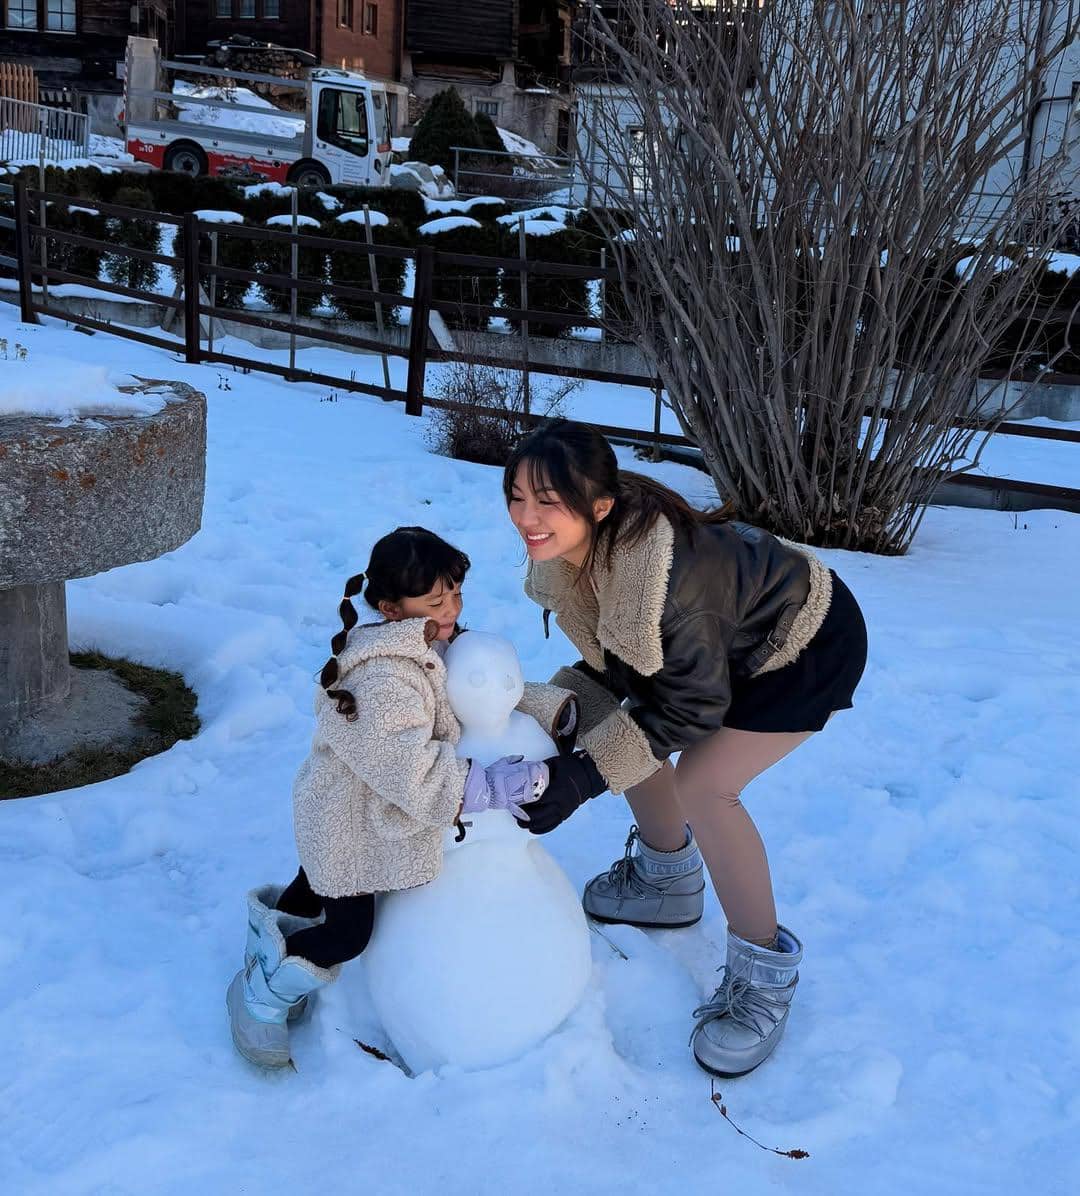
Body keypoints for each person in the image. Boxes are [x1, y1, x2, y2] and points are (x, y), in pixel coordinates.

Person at [503, 421, 868, 1078]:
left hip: (805, 643)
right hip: (721, 644)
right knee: (611, 717)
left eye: (547, 501)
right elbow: (624, 673)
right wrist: (540, 713)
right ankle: (667, 879)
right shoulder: (578, 556)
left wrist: (581, 779)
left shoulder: (665, 584)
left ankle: (764, 976)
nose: (527, 518)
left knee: (706, 785)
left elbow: (687, 709)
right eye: (517, 496)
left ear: (599, 506)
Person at [226, 526, 573, 1069]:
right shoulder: (384, 679)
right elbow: (411, 771)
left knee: (315, 885)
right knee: (348, 933)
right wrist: (490, 787)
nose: (452, 609)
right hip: (352, 822)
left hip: (353, 810)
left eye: (456, 593)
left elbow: (484, 683)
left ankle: (267, 939)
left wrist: (550, 709)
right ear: (391, 608)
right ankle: (261, 993)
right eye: (436, 601)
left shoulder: (428, 640)